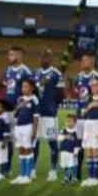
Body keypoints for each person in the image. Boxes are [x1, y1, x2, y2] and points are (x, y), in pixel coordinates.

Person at [1, 46, 33, 177]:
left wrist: (21, 107)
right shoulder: (7, 70)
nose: (9, 57)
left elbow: (31, 92)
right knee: (7, 140)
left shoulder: (26, 71)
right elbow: (7, 86)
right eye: (8, 55)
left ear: (19, 56)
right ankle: (6, 169)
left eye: (12, 55)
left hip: (19, 112)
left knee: (22, 142)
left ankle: (27, 171)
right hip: (7, 110)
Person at [35, 50, 62, 180]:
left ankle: (53, 170)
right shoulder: (36, 73)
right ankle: (32, 169)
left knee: (52, 143)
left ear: (51, 59)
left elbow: (61, 94)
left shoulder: (56, 74)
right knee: (35, 142)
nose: (43, 59)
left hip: (50, 114)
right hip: (36, 115)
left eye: (46, 57)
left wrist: (53, 105)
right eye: (42, 56)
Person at [9, 78, 39, 185]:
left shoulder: (34, 99)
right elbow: (14, 114)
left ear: (32, 88)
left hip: (28, 127)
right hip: (19, 127)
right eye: (22, 86)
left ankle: (28, 175)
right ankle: (21, 175)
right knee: (21, 149)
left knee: (28, 150)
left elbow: (36, 117)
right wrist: (18, 107)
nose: (23, 88)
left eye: (26, 86)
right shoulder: (20, 99)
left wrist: (34, 131)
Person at [80, 78, 98, 187]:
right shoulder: (88, 98)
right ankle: (90, 177)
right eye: (92, 85)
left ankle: (95, 177)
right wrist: (89, 107)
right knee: (88, 150)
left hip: (97, 124)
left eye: (96, 85)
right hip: (88, 125)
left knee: (96, 150)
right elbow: (82, 113)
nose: (94, 87)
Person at [57, 115, 80, 186]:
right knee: (66, 165)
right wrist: (65, 136)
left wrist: (76, 152)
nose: (68, 123)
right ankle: (68, 177)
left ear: (75, 123)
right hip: (63, 151)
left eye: (70, 121)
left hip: (71, 152)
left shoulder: (76, 133)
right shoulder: (63, 130)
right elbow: (58, 138)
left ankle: (71, 178)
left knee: (72, 165)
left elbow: (77, 144)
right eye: (67, 121)